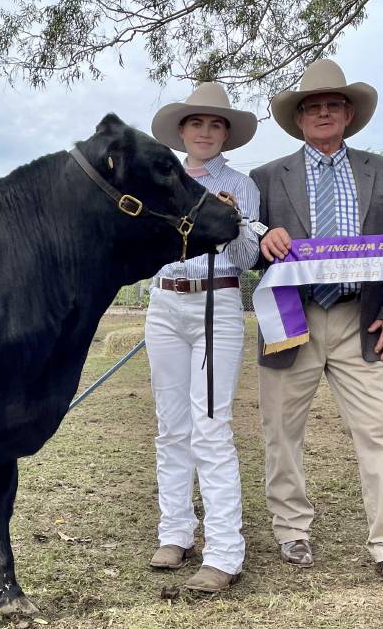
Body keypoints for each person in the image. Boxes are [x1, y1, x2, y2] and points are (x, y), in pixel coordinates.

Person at [250, 59, 383, 590]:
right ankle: (291, 528)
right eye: (313, 107)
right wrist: (262, 240)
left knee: (381, 432)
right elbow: (246, 250)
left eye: (333, 105)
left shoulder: (382, 172)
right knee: (281, 432)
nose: (323, 113)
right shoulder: (265, 178)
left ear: (348, 114)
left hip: (360, 321)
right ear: (299, 119)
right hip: (290, 319)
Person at [144, 82, 263, 593]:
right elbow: (145, 248)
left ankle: (224, 551)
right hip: (165, 303)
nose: (206, 132)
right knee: (171, 426)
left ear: (227, 135)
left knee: (210, 426)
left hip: (218, 303)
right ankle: (175, 532)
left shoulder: (243, 184)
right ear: (182, 131)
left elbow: (250, 261)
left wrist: (232, 222)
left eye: (217, 125)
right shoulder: (157, 182)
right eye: (197, 123)